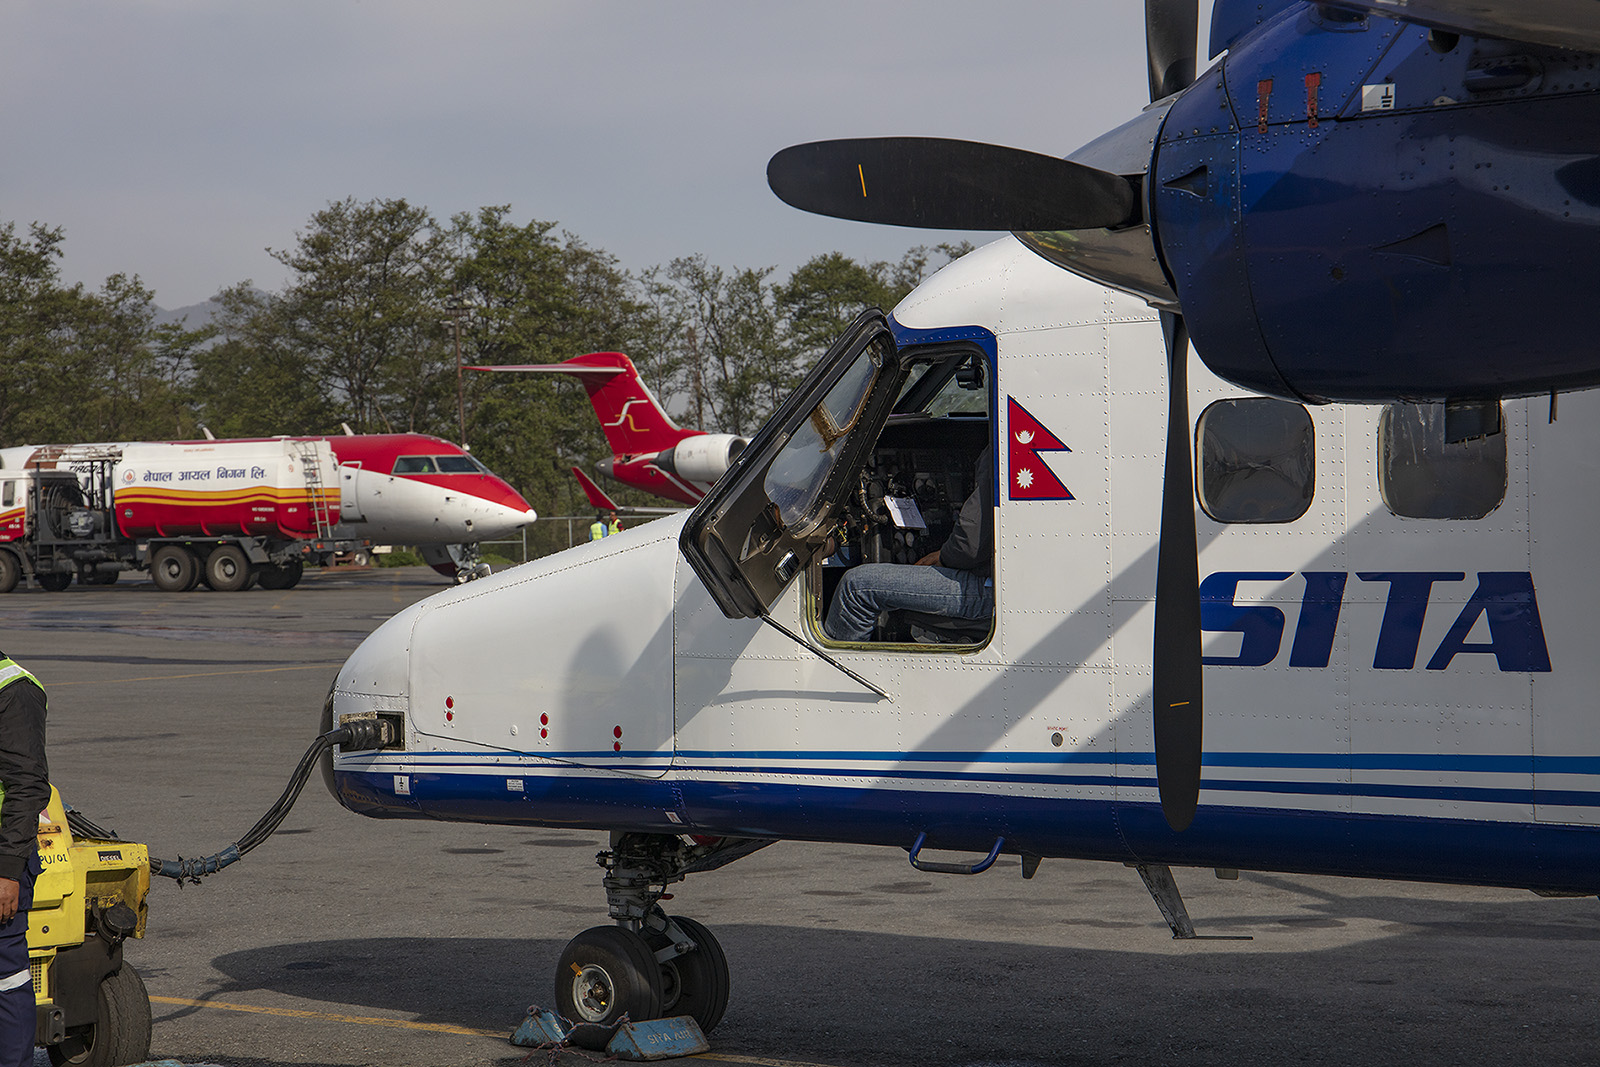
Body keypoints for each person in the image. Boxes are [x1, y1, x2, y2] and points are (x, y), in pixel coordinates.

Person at [823, 446, 993, 642]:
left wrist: (944, 556)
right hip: (1002, 584)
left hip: (989, 591)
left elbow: (969, 545)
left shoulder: (1002, 448)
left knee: (856, 589)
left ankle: (840, 670)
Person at [0, 652, 47, 1067]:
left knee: (6, 976)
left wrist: (9, 872)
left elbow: (27, 786)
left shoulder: (13, 689)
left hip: (1, 860)